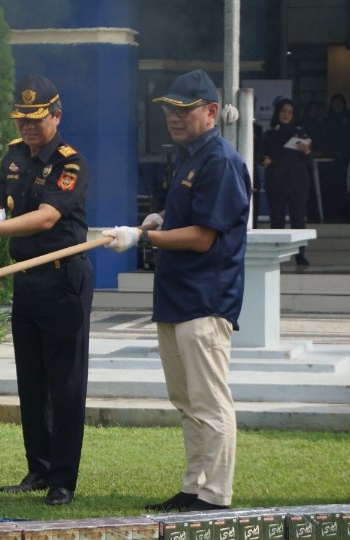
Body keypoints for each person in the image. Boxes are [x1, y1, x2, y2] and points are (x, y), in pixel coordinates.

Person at [103, 69, 251, 512]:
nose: (173, 117)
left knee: (209, 402)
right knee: (185, 401)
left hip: (205, 300)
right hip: (177, 299)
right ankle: (193, 486)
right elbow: (187, 216)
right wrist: (161, 219)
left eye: (184, 110)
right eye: (169, 109)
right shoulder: (190, 156)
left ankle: (215, 494)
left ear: (210, 112)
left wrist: (142, 237)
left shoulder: (220, 160)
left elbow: (203, 236)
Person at [0, 74, 92, 506]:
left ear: (57, 115)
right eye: (22, 120)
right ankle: (38, 468)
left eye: (37, 120)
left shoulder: (70, 162)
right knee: (31, 379)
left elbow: (46, 217)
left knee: (65, 382)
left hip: (63, 277)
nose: (28, 128)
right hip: (27, 277)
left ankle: (62, 480)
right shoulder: (14, 155)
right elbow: (0, 197)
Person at [259, 99, 312, 265]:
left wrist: (307, 151)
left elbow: (309, 161)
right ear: (278, 113)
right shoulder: (269, 134)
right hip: (276, 183)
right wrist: (263, 160)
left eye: (289, 112)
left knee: (298, 220)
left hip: (297, 183)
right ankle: (278, 254)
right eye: (283, 111)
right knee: (277, 219)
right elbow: (260, 154)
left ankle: (300, 254)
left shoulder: (300, 133)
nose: (286, 115)